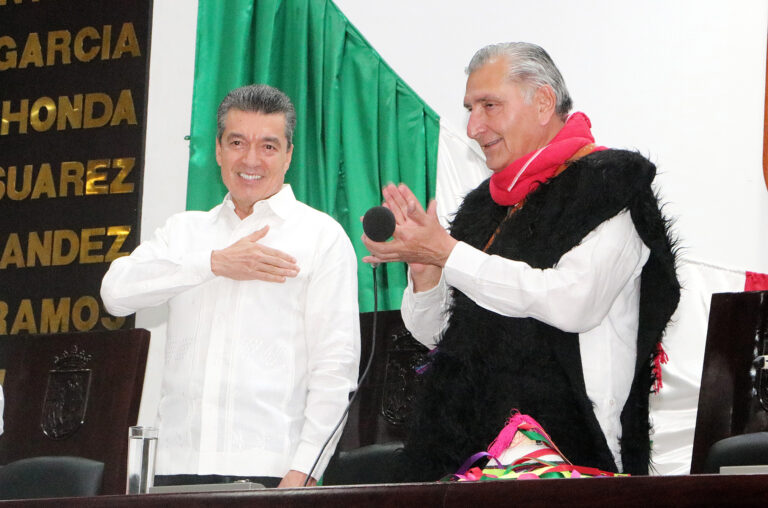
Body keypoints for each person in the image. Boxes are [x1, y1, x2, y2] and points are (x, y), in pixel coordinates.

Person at [362, 42, 680, 480]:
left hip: (569, 460)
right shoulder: (484, 205)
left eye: (489, 106)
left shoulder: (611, 188)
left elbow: (573, 303)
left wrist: (448, 253)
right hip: (468, 456)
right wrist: (427, 272)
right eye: (470, 108)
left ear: (544, 101)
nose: (474, 126)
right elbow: (440, 333)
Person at [101, 84, 361, 488]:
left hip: (272, 468)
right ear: (219, 150)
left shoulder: (321, 236)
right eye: (237, 142)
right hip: (173, 466)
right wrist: (213, 263)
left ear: (289, 154)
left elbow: (335, 367)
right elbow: (116, 293)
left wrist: (307, 468)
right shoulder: (184, 231)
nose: (251, 159)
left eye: (269, 146)